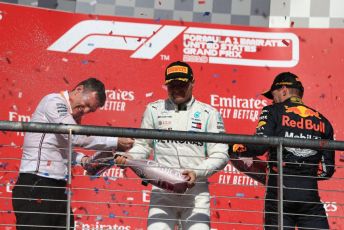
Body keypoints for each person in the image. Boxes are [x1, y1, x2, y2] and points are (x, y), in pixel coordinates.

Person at [116, 61, 229, 230]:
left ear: (192, 83)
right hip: (162, 190)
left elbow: (220, 154)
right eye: (171, 85)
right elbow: (143, 146)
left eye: (181, 85)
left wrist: (196, 173)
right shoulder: (153, 109)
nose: (176, 90)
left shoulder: (209, 114)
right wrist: (130, 157)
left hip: (195, 192)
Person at [12, 78, 134, 229]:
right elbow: (75, 136)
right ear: (78, 90)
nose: (86, 111)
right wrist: (115, 141)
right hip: (37, 183)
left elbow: (60, 147)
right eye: (87, 105)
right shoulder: (54, 101)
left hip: (58, 189)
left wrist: (84, 160)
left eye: (91, 110)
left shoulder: (71, 116)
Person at [229, 72, 335, 230]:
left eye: (273, 95)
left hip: (279, 196)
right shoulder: (323, 121)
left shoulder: (272, 111)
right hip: (309, 198)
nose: (273, 100)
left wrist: (232, 146)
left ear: (284, 90)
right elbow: (327, 171)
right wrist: (303, 174)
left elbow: (259, 146)